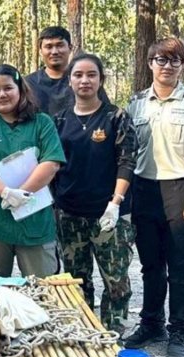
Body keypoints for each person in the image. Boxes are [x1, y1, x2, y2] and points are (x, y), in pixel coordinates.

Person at [124, 38, 184, 357]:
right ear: (150, 63)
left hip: (181, 189)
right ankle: (152, 323)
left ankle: (180, 330)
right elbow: (125, 152)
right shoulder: (136, 103)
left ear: (182, 66)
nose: (167, 66)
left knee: (180, 266)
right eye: (161, 60)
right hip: (145, 189)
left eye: (174, 61)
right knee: (150, 264)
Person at [52, 54, 138, 334]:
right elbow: (51, 165)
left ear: (101, 79)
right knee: (76, 279)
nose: (84, 80)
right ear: (69, 80)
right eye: (78, 75)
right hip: (69, 214)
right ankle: (83, 331)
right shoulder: (59, 120)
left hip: (109, 215)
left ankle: (112, 334)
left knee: (115, 279)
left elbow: (127, 161)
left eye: (91, 75)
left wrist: (115, 203)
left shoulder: (116, 117)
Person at [0, 64, 65, 280]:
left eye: (8, 88)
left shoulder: (42, 122)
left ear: (20, 89)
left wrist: (22, 193)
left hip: (34, 219)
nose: (2, 94)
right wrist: (6, 193)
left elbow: (51, 162)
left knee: (43, 287)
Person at [25, 26, 109, 116]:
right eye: (49, 47)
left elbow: (106, 113)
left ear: (70, 48)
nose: (54, 52)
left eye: (60, 45)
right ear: (41, 51)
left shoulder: (85, 81)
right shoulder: (28, 84)